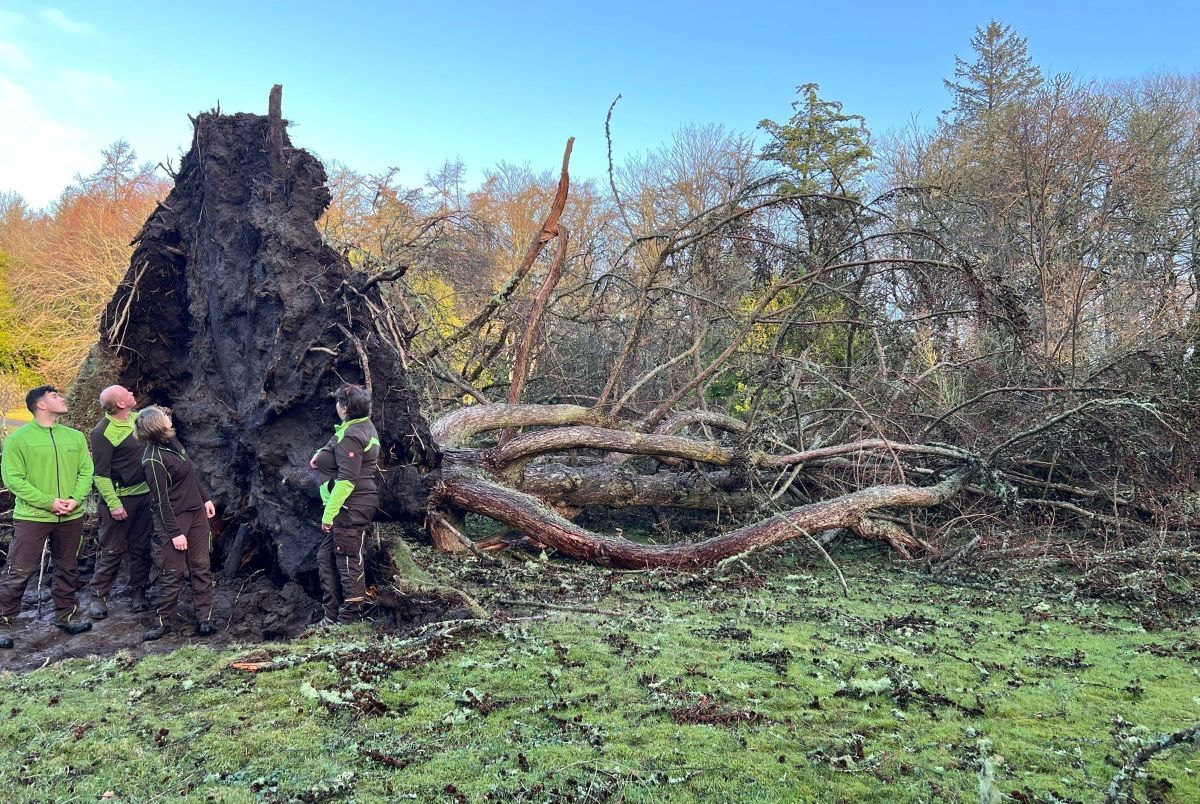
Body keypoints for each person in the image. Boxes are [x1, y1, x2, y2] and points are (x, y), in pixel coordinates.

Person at [0, 385, 95, 649]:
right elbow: (14, 480)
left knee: (68, 567)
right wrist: (49, 502)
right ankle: (3, 620)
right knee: (19, 570)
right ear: (40, 405)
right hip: (32, 517)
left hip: (71, 515)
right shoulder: (17, 441)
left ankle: (66, 616)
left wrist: (75, 499)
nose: (61, 399)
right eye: (55, 396)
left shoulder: (74, 437)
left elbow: (86, 471)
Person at [136, 406, 217, 641]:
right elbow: (160, 501)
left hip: (197, 515)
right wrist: (174, 533)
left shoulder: (174, 443)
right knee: (174, 572)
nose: (168, 418)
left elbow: (190, 474)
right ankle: (163, 623)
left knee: (201, 567)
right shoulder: (152, 459)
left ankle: (205, 619)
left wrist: (205, 499)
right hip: (174, 519)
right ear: (156, 425)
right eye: (164, 417)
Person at [308, 384, 380, 625]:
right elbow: (334, 448)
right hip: (349, 506)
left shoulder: (353, 435)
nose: (336, 406)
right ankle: (330, 616)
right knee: (325, 556)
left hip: (351, 505)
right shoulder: (358, 427)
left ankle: (349, 618)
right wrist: (319, 455)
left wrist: (328, 514)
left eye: (339, 402)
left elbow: (347, 481)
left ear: (345, 407)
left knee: (347, 558)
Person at [86, 385, 154, 618]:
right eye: (127, 393)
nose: (132, 393)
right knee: (112, 550)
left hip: (144, 495)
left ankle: (138, 594)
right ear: (121, 404)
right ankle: (98, 596)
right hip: (120, 499)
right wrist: (114, 504)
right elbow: (100, 474)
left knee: (142, 547)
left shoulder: (139, 419)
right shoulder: (101, 432)